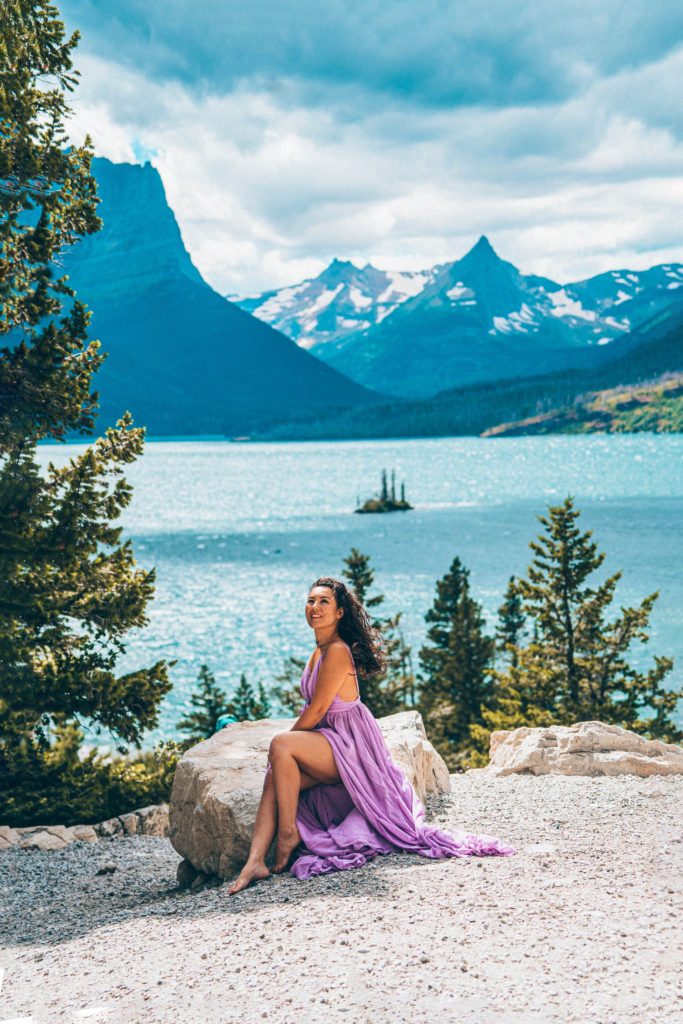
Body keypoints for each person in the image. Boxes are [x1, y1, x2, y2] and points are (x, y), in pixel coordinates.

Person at [226, 576, 514, 894]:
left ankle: (288, 833)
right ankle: (255, 862)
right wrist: (284, 757)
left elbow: (318, 710)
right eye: (310, 601)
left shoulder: (336, 651)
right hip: (331, 740)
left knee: (281, 747)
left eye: (324, 602)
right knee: (274, 777)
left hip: (351, 747)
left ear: (339, 613)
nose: (315, 607)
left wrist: (285, 748)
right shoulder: (318, 649)